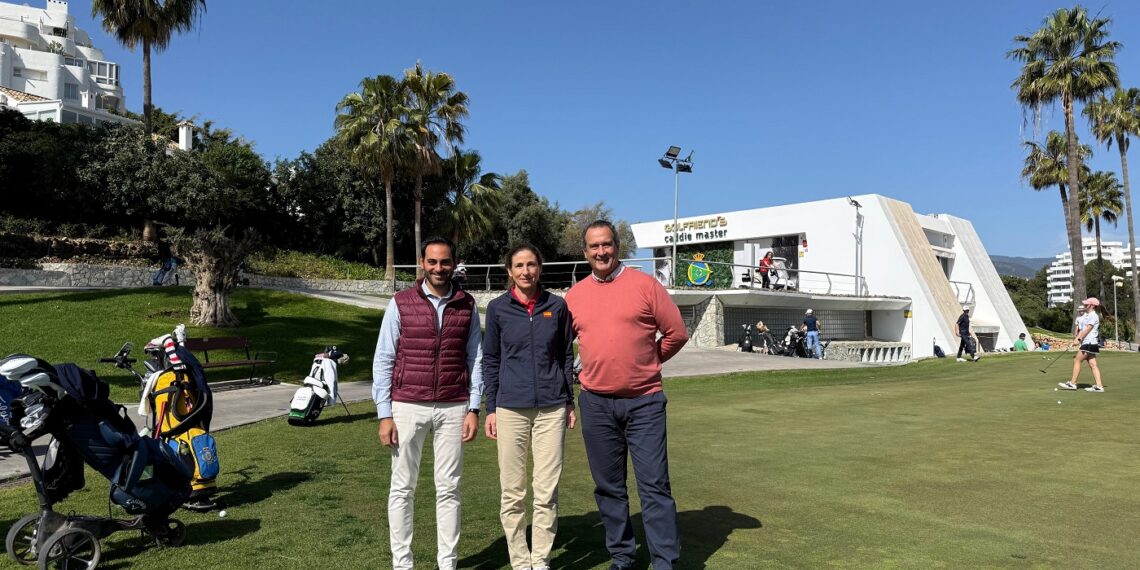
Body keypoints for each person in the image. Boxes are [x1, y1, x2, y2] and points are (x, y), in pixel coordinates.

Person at [565, 220, 690, 570]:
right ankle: (622, 557)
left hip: (644, 402)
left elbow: (676, 333)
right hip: (596, 403)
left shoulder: (646, 286)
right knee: (608, 488)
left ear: (617, 246)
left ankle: (664, 561)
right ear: (585, 251)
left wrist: (650, 359)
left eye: (606, 244)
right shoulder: (575, 296)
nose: (601, 251)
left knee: (654, 486)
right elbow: (560, 348)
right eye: (594, 246)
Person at [372, 237, 483, 570]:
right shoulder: (401, 302)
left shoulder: (467, 304)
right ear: (422, 263)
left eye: (445, 262)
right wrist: (384, 414)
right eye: (432, 262)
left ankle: (447, 564)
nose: (439, 268)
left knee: (449, 489)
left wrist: (474, 407)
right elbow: (384, 358)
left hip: (453, 406)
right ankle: (402, 564)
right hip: (407, 405)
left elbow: (475, 357)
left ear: (454, 263)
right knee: (402, 488)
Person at [482, 244, 576, 570]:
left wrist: (569, 401)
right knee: (512, 493)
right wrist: (490, 407)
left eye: (531, 264)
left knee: (546, 492)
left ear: (540, 268)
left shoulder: (558, 306)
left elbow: (565, 356)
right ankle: (521, 562)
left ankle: (541, 560)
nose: (526, 271)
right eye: (519, 265)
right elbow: (491, 360)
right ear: (509, 270)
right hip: (510, 409)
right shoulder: (497, 309)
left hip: (552, 408)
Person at [1058, 297, 1106, 393]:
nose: (1084, 306)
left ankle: (1072, 383)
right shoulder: (1086, 316)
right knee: (1093, 364)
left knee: (1077, 359)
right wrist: (1076, 340)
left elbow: (1088, 329)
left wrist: (1079, 339)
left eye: (1086, 304)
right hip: (1088, 342)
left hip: (1089, 342)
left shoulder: (1093, 316)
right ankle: (1099, 386)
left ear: (1092, 305)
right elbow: (1082, 330)